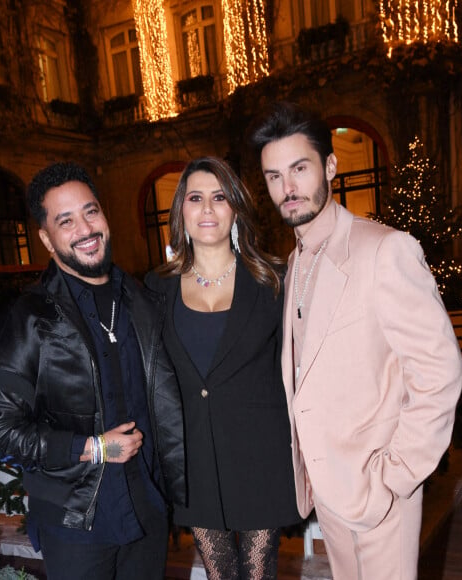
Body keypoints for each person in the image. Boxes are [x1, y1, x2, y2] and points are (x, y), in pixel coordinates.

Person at [249, 102, 462, 580]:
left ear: (329, 166)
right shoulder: (296, 261)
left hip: (378, 488)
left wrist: (396, 477)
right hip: (328, 489)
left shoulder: (384, 250)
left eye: (299, 169)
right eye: (274, 176)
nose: (287, 189)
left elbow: (440, 370)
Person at [0, 162, 185, 580]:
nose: (85, 228)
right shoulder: (26, 319)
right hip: (74, 520)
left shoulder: (143, 304)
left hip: (146, 508)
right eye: (65, 220)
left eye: (91, 211)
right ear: (46, 238)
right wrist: (93, 448)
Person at [145, 156, 301, 580]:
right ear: (181, 210)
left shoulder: (274, 279)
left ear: (235, 208)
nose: (208, 209)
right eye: (196, 198)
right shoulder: (156, 288)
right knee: (219, 572)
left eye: (219, 197)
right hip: (195, 458)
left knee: (257, 570)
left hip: (262, 454)